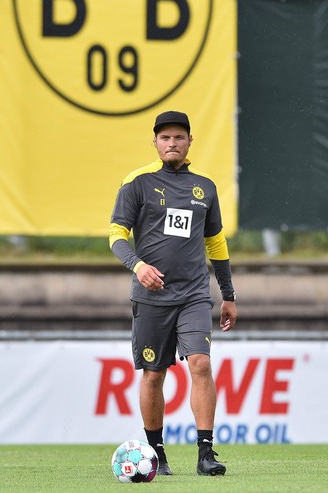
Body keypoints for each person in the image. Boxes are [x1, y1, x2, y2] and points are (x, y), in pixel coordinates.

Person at [109, 110, 238, 477]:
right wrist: (138, 266)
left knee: (201, 363)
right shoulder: (137, 182)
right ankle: (155, 454)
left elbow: (216, 243)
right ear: (155, 142)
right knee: (154, 373)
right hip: (151, 297)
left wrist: (228, 294)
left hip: (195, 294)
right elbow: (116, 236)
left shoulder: (205, 187)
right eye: (165, 137)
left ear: (189, 141)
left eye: (178, 137)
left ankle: (206, 453)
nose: (172, 143)